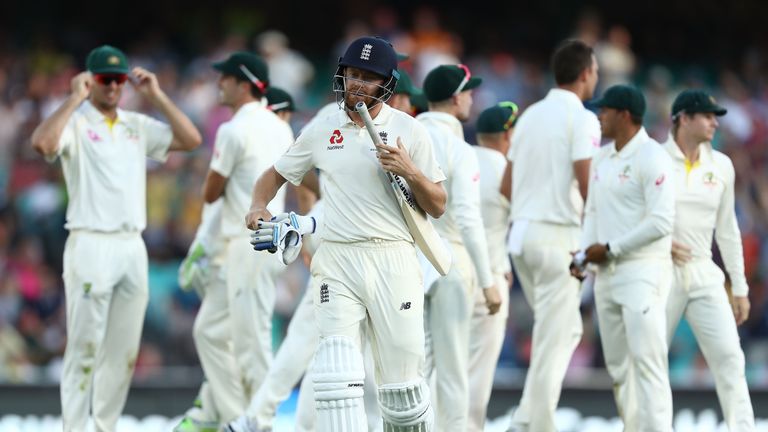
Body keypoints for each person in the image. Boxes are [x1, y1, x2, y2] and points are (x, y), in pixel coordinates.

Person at [243, 36, 446, 432]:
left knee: (402, 387)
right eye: (353, 74)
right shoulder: (323, 126)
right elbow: (277, 174)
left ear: (386, 83)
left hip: (394, 259)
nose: (357, 84)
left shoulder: (410, 131)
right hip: (337, 259)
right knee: (337, 376)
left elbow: (437, 204)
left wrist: (409, 170)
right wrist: (258, 205)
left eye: (368, 78)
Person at [29, 44, 202, 431]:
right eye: (105, 80)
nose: (112, 87)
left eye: (118, 80)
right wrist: (73, 97)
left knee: (122, 351)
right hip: (90, 241)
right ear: (90, 81)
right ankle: (74, 427)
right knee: (85, 346)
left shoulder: (135, 124)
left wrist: (156, 95)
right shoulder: (75, 120)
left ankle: (104, 426)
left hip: (131, 245)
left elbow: (190, 140)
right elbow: (42, 143)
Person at [504, 39, 600, 432]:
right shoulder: (583, 119)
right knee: (556, 335)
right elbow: (587, 182)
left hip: (521, 238)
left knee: (558, 330)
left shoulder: (528, 116)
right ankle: (536, 424)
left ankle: (526, 419)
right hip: (558, 236)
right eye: (594, 71)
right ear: (584, 74)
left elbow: (506, 185)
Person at [200, 50, 295, 421]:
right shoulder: (281, 126)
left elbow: (210, 192)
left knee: (250, 342)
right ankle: (236, 416)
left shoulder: (233, 128)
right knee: (208, 331)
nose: (219, 84)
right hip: (266, 240)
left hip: (248, 242)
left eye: (225, 78)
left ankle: (261, 423)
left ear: (242, 85)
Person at [575, 84, 675, 431]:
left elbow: (662, 222)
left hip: (642, 272)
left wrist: (612, 248)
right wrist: (582, 256)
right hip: (606, 276)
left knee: (648, 364)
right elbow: (592, 212)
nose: (599, 116)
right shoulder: (602, 157)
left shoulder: (652, 156)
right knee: (618, 369)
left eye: (605, 111)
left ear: (625, 115)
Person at [663, 89, 755, 430]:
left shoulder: (722, 165)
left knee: (731, 357)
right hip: (661, 272)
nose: (715, 123)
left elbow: (728, 230)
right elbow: (633, 217)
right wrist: (660, 243)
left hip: (703, 269)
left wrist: (740, 287)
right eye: (707, 116)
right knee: (649, 359)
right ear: (684, 119)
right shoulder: (654, 160)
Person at [416, 64, 500, 432]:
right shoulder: (458, 147)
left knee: (413, 367)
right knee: (453, 372)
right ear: (455, 98)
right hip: (450, 260)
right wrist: (488, 280)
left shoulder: (407, 137)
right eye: (468, 92)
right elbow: (467, 218)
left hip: (410, 262)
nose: (471, 98)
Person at [468, 102, 517, 432]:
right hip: (490, 278)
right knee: (477, 372)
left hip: (448, 271)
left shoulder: (459, 158)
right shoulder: (507, 170)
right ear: (507, 135)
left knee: (438, 366)